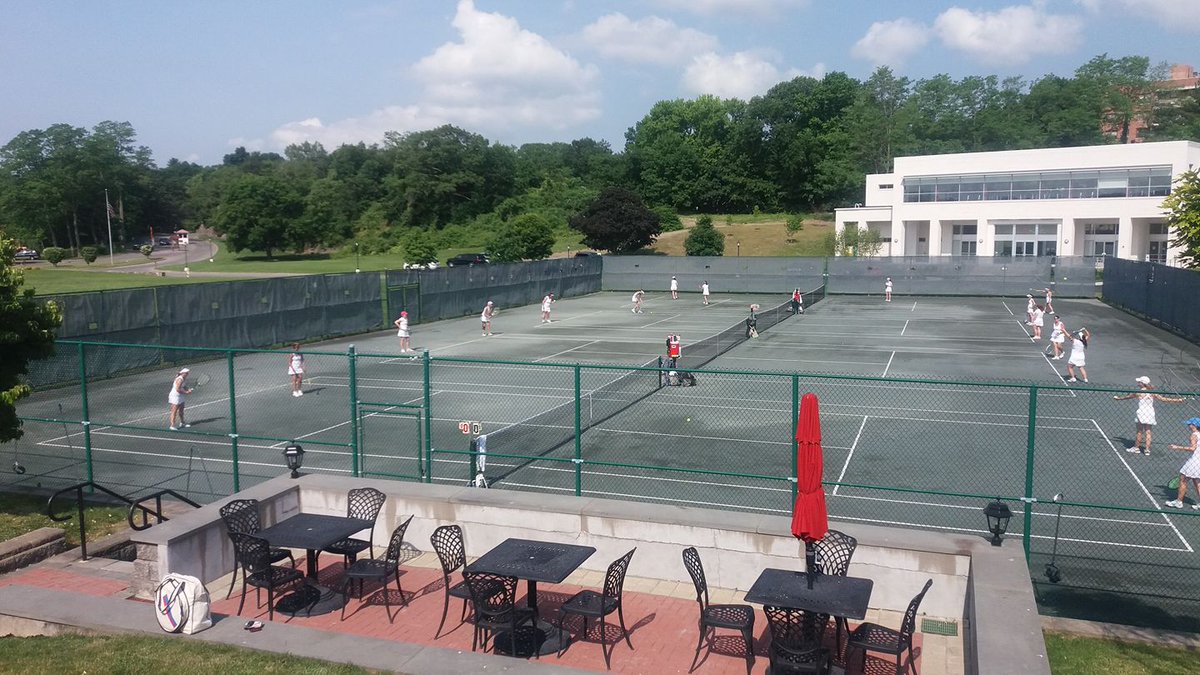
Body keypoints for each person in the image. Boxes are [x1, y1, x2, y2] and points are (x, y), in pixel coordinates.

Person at [1114, 375, 1184, 455]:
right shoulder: (1152, 393)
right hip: (1150, 413)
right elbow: (1164, 399)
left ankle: (1136, 448)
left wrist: (1119, 398)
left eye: (1139, 382)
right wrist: (1178, 400)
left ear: (1142, 383)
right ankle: (1147, 450)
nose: (1138, 383)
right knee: (1148, 432)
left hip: (1141, 413)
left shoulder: (1138, 392)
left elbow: (1128, 397)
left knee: (1139, 431)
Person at [1164, 417, 1200, 509]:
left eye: (1189, 424)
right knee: (1197, 483)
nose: (1188, 426)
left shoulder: (1193, 435)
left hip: (1193, 462)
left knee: (1183, 480)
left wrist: (1177, 447)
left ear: (1194, 425)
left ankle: (1179, 502)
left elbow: (1192, 448)